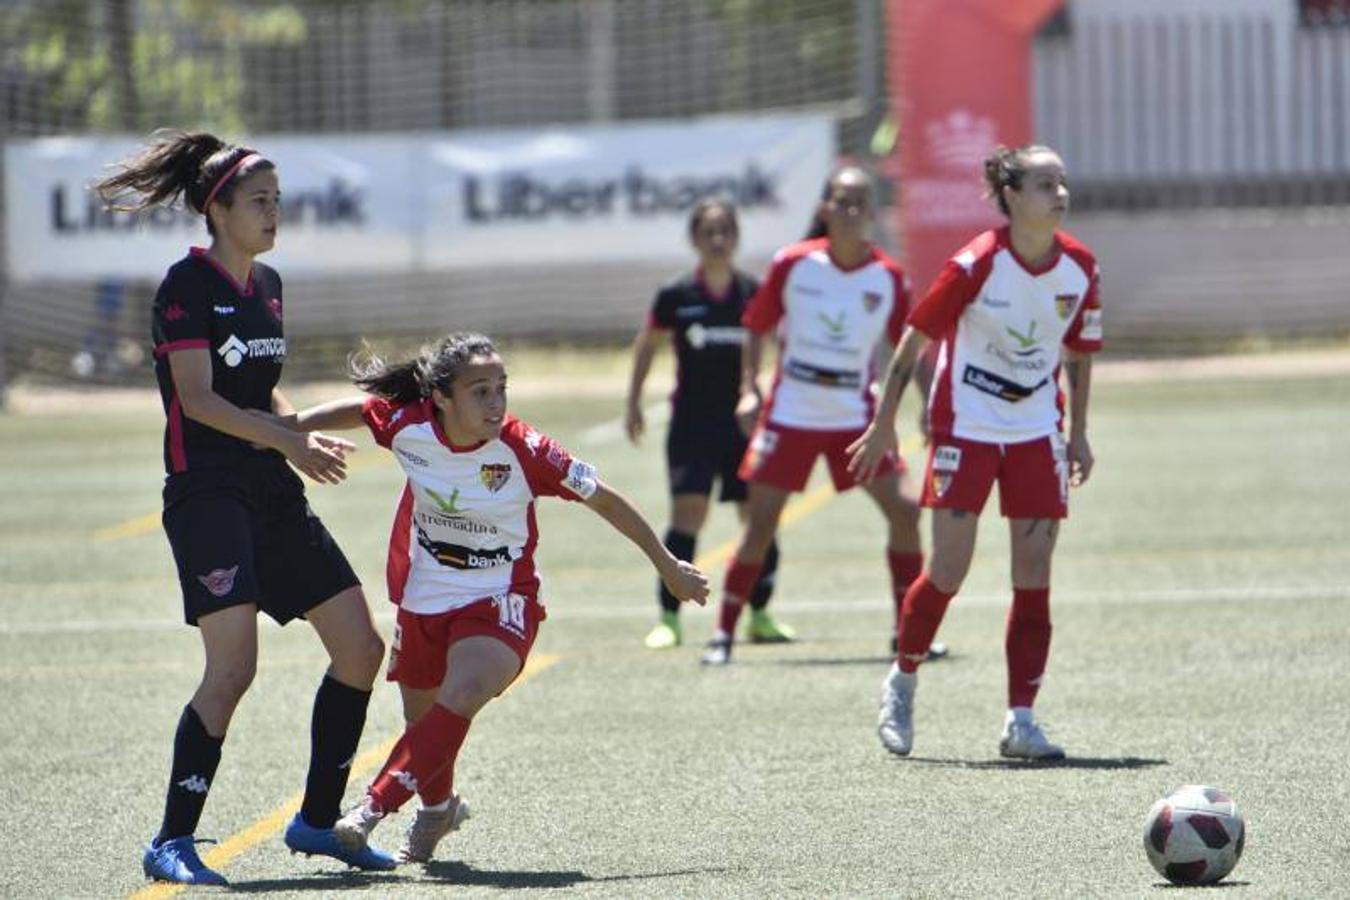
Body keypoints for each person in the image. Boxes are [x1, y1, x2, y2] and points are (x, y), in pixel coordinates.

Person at [278, 332, 709, 864]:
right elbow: (364, 410)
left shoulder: (524, 448)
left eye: (501, 388)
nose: (496, 402)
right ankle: (437, 810)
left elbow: (605, 499)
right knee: (425, 722)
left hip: (502, 596)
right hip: (425, 595)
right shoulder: (410, 425)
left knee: (464, 691)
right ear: (442, 397)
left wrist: (668, 566)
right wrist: (290, 428)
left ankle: (371, 808)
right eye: (480, 391)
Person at [95, 131, 395, 885]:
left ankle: (318, 822)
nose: (273, 212)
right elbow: (198, 401)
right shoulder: (184, 287)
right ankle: (172, 840)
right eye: (259, 200)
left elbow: (262, 392)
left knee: (361, 649)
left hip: (269, 488)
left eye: (278, 200)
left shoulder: (269, 285)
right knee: (233, 669)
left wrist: (298, 433)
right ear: (218, 210)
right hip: (208, 493)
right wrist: (286, 441)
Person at [848, 143, 1102, 760]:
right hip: (966, 429)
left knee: (1034, 576)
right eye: (1045, 184)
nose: (1060, 194)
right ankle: (902, 680)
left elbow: (1079, 353)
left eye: (1062, 182)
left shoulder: (1080, 268)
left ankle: (1021, 720)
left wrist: (1078, 432)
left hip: (1037, 433)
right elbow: (912, 343)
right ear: (1011, 197)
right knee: (948, 570)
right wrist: (884, 424)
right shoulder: (976, 264)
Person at [700, 166, 928, 667]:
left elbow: (909, 346)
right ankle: (722, 635)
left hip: (855, 416)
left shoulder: (888, 277)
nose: (851, 211)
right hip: (792, 412)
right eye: (841, 201)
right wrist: (749, 389)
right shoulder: (793, 264)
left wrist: (928, 403)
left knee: (906, 511)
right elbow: (756, 326)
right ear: (825, 209)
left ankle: (909, 632)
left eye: (860, 202)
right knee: (760, 524)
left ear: (872, 212)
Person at [624, 198, 794, 650]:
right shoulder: (676, 295)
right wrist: (634, 401)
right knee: (688, 517)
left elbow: (780, 346)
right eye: (708, 232)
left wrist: (765, 394)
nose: (718, 240)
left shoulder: (754, 293)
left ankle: (759, 614)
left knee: (758, 519)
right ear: (694, 239)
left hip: (744, 427)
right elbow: (648, 343)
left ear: (736, 237)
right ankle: (669, 618)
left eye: (725, 231)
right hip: (692, 426)